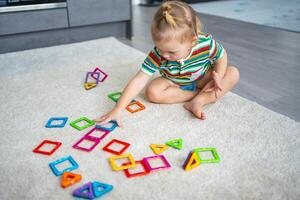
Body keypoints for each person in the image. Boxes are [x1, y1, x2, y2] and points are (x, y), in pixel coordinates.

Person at [94, 0, 239, 127]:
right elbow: (139, 80)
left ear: (193, 41)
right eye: (159, 48)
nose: (164, 55)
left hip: (203, 78)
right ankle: (194, 95)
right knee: (152, 92)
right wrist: (118, 109)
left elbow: (221, 55)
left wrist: (217, 76)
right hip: (173, 81)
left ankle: (200, 100)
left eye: (171, 52)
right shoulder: (158, 55)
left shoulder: (205, 44)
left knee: (233, 73)